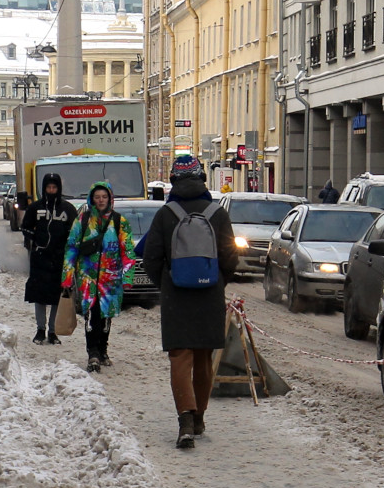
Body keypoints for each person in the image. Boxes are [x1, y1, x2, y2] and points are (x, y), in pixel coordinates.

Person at [139, 165, 239, 449]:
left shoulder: (165, 214)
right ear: (201, 180)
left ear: (173, 181)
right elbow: (231, 256)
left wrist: (167, 283)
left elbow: (150, 257)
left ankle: (184, 418)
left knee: (180, 356)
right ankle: (199, 416)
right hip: (209, 294)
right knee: (203, 358)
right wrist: (218, 281)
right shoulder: (217, 213)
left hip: (176, 295)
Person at [62, 182, 132, 373]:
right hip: (88, 278)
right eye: (97, 197)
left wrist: (127, 277)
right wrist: (67, 276)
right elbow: (71, 248)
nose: (101, 200)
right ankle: (92, 353)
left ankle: (103, 350)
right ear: (91, 199)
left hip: (111, 279)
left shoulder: (119, 221)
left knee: (106, 317)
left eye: (104, 197)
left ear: (110, 199)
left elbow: (128, 251)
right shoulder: (82, 220)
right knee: (91, 315)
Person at [19, 172, 77, 345]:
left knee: (56, 296)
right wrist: (36, 239)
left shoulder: (67, 209)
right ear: (44, 189)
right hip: (40, 258)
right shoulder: (35, 208)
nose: (51, 191)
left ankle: (53, 331)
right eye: (48, 188)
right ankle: (40, 329)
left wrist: (66, 246)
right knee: (39, 296)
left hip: (59, 259)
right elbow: (25, 227)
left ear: (59, 189)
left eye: (54, 188)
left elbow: (74, 231)